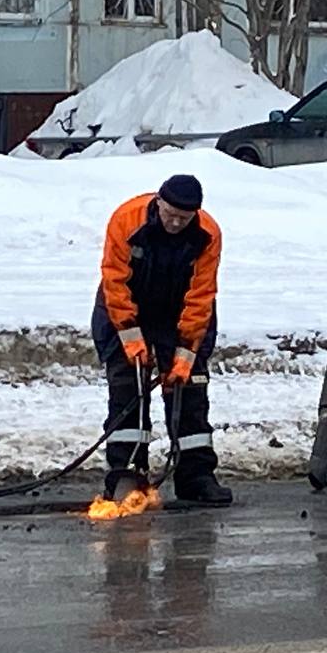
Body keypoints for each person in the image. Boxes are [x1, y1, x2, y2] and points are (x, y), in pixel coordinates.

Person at [91, 174, 232, 505]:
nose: (174, 223)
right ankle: (125, 474)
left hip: (178, 310)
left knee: (190, 389)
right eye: (169, 214)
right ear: (159, 203)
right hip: (125, 307)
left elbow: (201, 296)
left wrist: (185, 354)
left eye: (183, 218)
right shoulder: (127, 220)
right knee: (128, 386)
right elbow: (114, 280)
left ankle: (195, 476)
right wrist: (131, 338)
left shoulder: (207, 235)